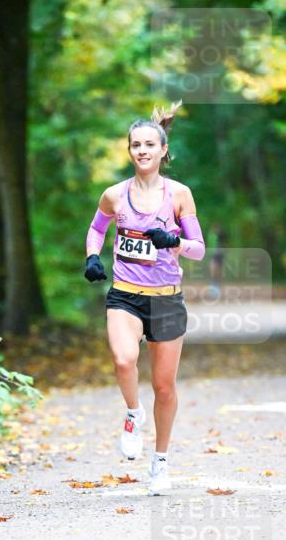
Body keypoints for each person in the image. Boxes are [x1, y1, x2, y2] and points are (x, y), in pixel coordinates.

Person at [84, 102, 205, 495]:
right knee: (123, 359)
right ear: (130, 150)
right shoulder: (115, 196)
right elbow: (96, 229)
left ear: (163, 150)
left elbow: (199, 249)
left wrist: (176, 242)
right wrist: (91, 257)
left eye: (150, 144)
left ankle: (161, 462)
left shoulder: (179, 195)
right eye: (136, 144)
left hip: (167, 299)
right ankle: (133, 413)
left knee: (165, 386)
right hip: (125, 295)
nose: (142, 150)